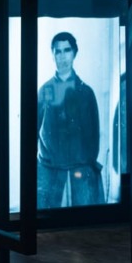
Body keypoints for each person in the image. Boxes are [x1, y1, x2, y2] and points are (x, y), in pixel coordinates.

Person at [36, 31, 102, 209]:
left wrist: (85, 161)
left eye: (67, 50)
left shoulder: (86, 92)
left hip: (80, 168)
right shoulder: (44, 91)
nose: (62, 56)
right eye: (58, 51)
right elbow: (32, 130)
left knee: (84, 218)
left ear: (74, 53)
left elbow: (94, 134)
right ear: (53, 54)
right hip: (49, 167)